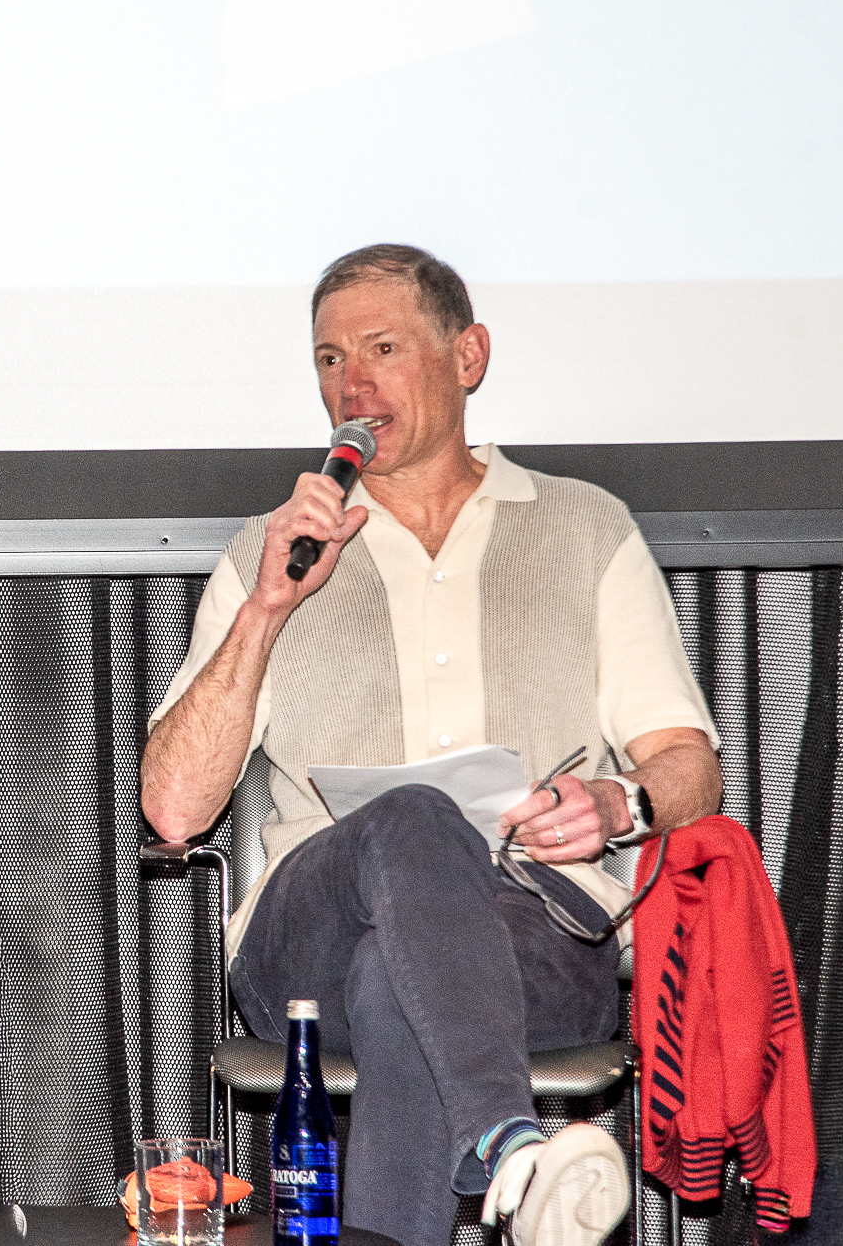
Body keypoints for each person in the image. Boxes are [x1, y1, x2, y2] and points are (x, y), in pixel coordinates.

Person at [141, 245, 722, 1246]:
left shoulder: (585, 529)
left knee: (393, 984)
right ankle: (508, 1141)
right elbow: (174, 809)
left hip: (537, 928)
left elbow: (687, 766)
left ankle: (492, 1160)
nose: (349, 386)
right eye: (327, 358)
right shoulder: (268, 550)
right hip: (305, 936)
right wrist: (266, 610)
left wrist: (618, 802)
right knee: (410, 820)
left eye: (379, 349)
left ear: (467, 355)